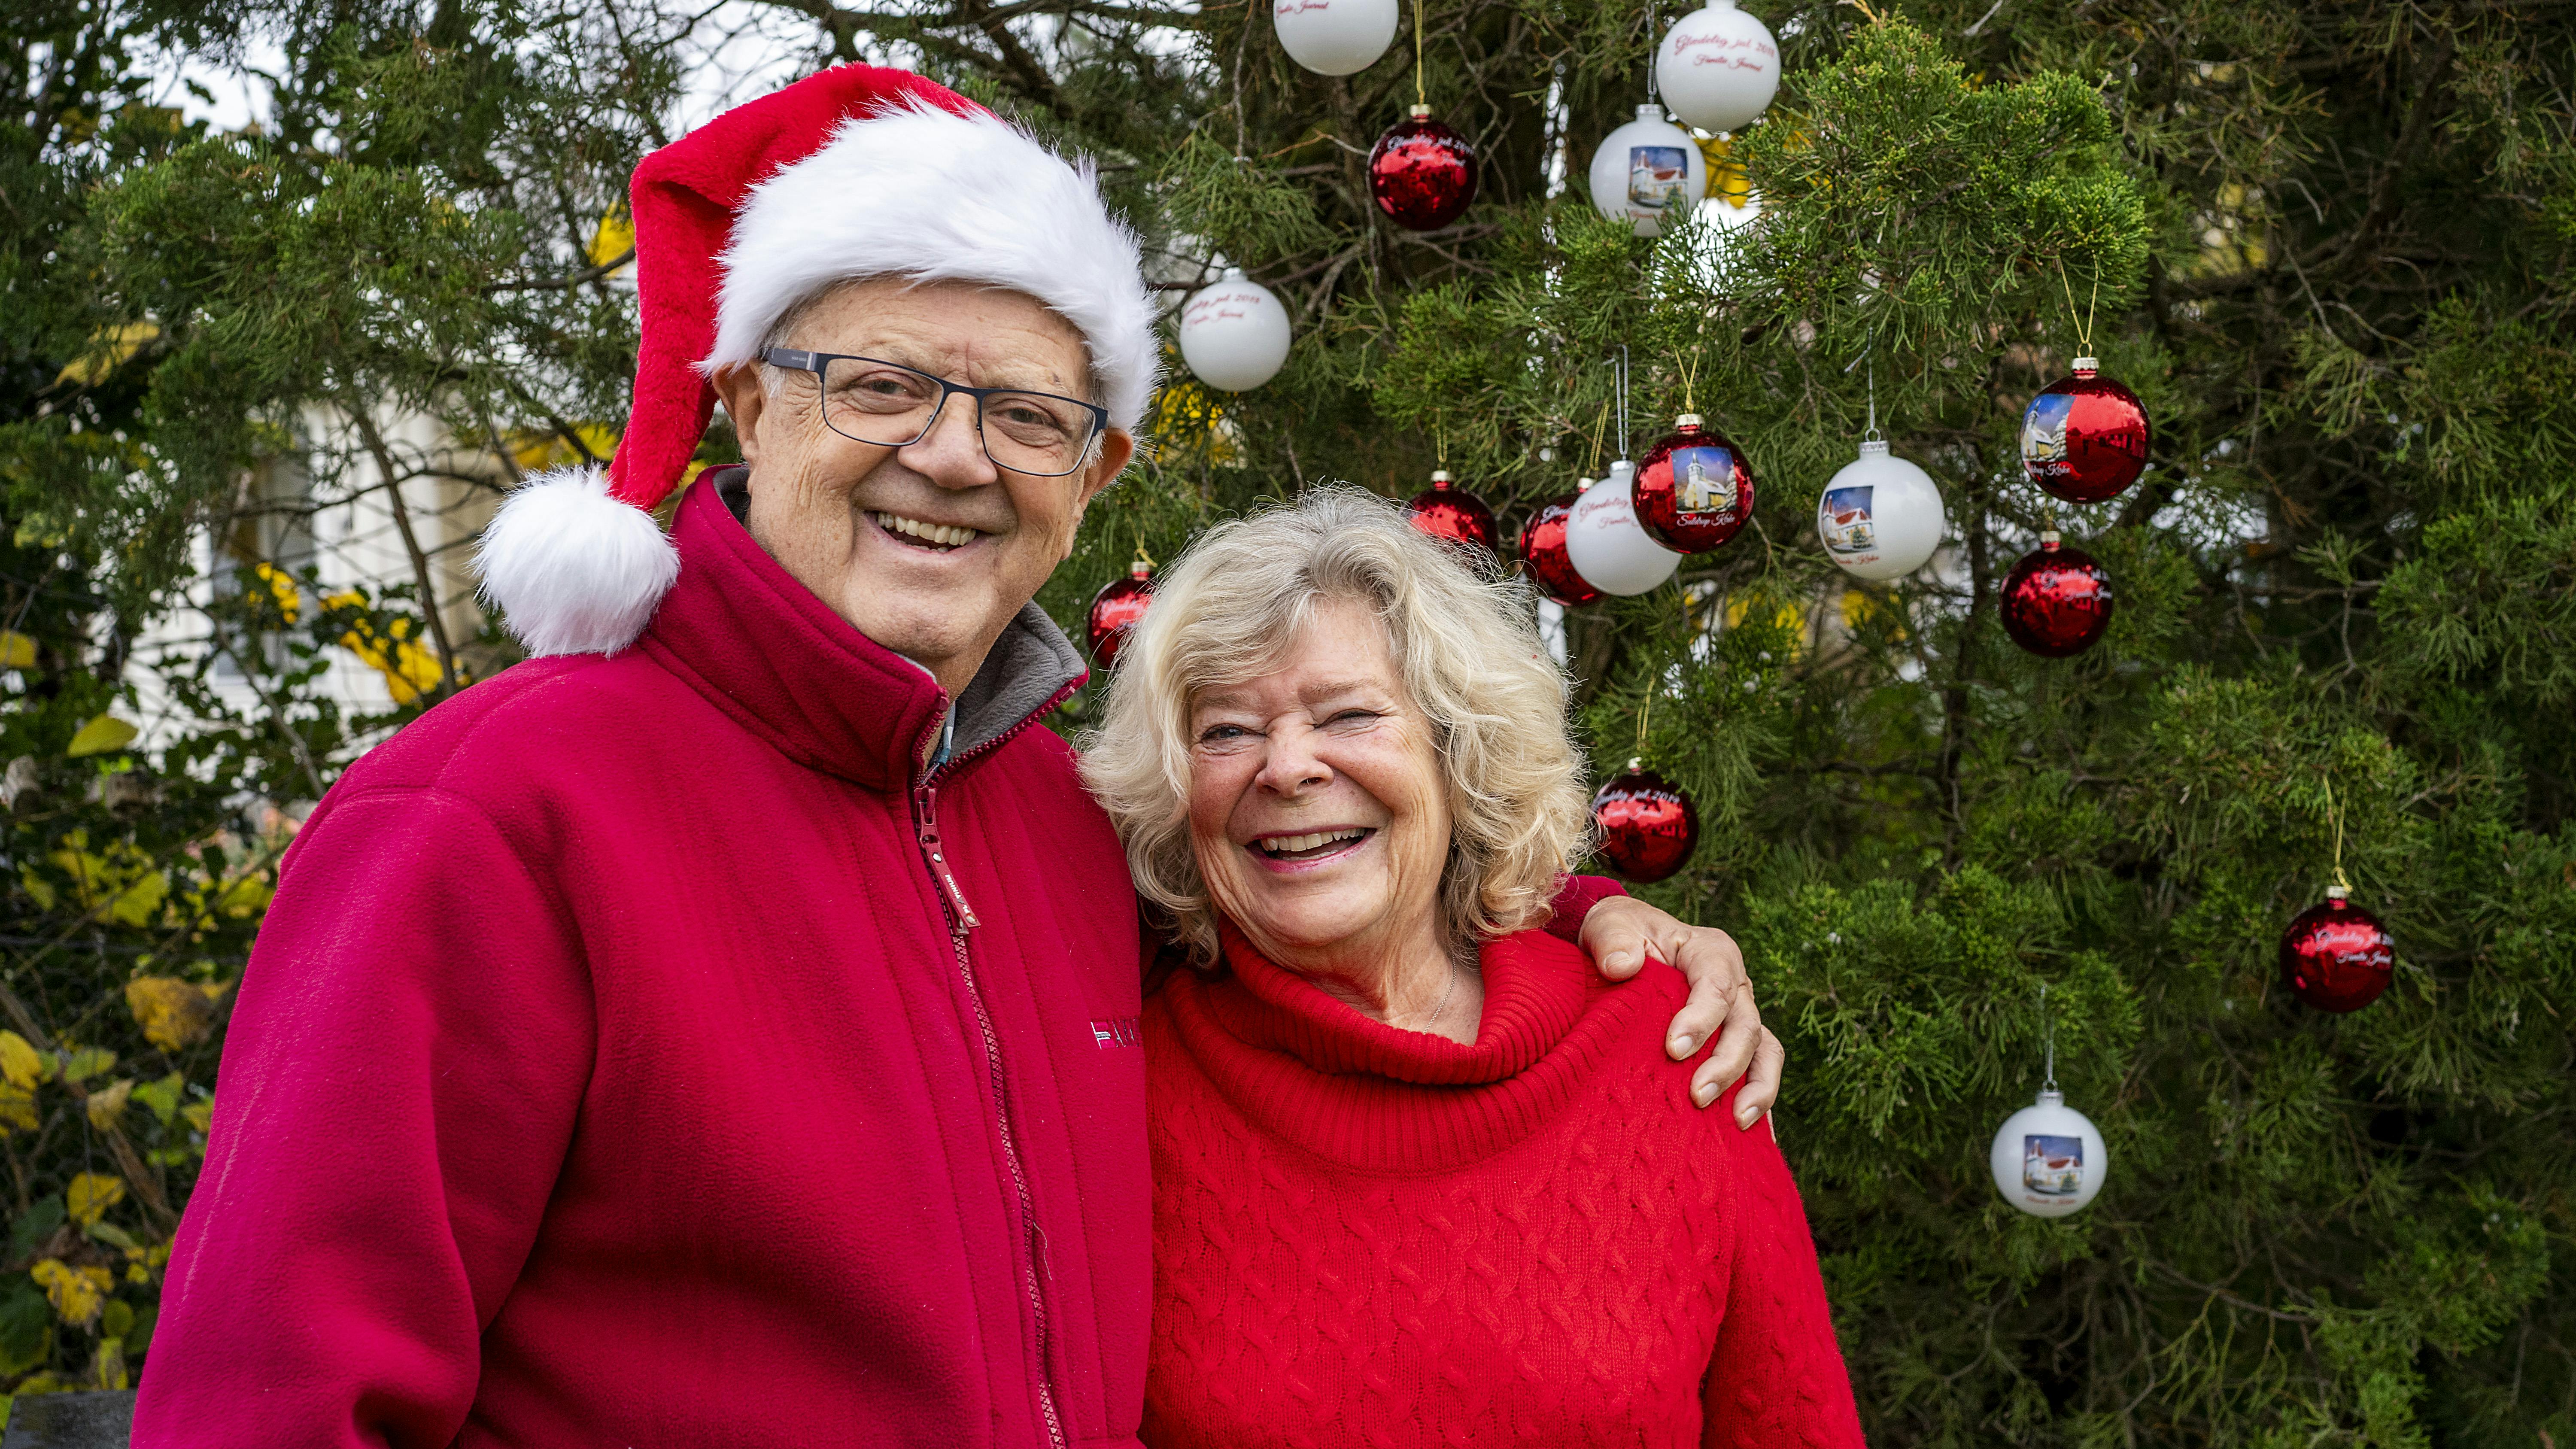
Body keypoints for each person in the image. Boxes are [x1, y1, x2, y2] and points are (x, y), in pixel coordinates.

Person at [132, 67, 1781, 1447]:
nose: (950, 454)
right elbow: (272, 1398)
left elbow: (1345, 892)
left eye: (1025, 413)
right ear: (746, 404)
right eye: (879, 383)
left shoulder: (1067, 825)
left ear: (1098, 465)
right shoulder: (496, 814)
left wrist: (1594, 926)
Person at [1082, 489, 1865, 1448]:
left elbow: (1793, 1423)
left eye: (1349, 713)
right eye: (1226, 731)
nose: (1286, 767)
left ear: (1461, 753)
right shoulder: (1113, 1080)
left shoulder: (1672, 1040)